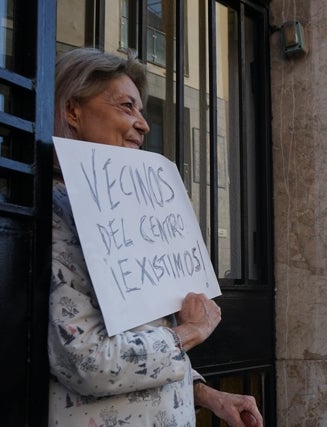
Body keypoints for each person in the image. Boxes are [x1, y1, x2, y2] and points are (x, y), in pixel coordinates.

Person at [49, 48, 263, 426]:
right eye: (127, 106)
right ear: (72, 111)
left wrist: (207, 394)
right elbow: (85, 362)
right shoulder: (55, 213)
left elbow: (148, 335)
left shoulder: (122, 211)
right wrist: (191, 332)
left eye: (141, 110)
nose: (144, 124)